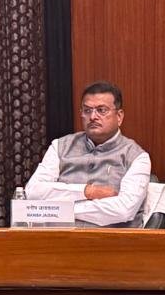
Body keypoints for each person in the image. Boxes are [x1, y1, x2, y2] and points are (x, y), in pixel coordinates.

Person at [25, 81, 152, 227]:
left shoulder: (137, 157)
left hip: (109, 239)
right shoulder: (60, 146)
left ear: (119, 116)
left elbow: (123, 210)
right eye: (87, 110)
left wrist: (58, 210)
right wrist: (88, 191)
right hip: (56, 237)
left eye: (101, 110)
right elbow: (32, 192)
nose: (93, 117)